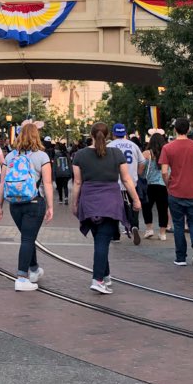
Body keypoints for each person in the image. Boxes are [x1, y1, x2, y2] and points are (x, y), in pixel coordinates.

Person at [71, 122, 141, 294]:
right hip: (110, 201)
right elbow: (126, 179)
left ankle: (106, 275)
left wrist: (74, 203)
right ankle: (98, 279)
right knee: (103, 241)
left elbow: (77, 182)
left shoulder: (80, 155)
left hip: (89, 201)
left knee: (99, 240)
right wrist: (136, 200)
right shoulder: (116, 154)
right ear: (108, 135)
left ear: (91, 135)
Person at [0, 122, 54, 291]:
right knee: (27, 239)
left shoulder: (10, 156)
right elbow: (48, 184)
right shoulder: (42, 156)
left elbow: (2, 182)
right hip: (34, 202)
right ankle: (21, 277)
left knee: (28, 236)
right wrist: (50, 206)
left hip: (15, 205)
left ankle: (34, 269)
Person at [160, 118, 193, 267]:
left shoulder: (168, 148)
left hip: (175, 191)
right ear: (188, 130)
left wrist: (168, 183)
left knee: (178, 224)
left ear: (175, 129)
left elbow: (164, 171)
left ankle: (180, 257)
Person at [108, 123, 143, 245]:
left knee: (114, 209)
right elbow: (142, 161)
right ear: (125, 133)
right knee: (134, 204)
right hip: (132, 181)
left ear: (113, 133)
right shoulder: (133, 145)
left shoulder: (110, 146)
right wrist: (137, 173)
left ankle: (115, 234)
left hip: (114, 182)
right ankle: (134, 226)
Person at [142, 131, 169, 240]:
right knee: (163, 208)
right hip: (163, 184)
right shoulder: (166, 152)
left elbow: (141, 168)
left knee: (146, 206)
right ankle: (162, 233)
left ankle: (149, 229)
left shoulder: (146, 153)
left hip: (149, 184)